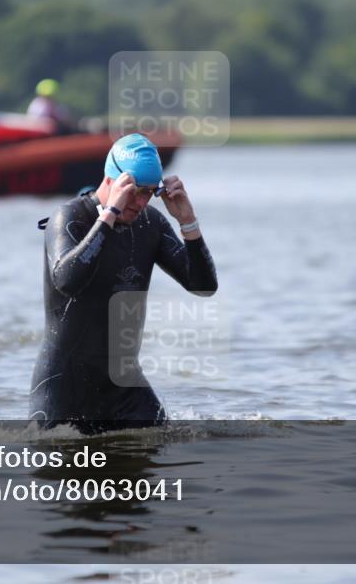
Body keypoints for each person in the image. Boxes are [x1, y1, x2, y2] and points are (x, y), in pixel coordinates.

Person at [29, 133, 218, 433]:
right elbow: (67, 280)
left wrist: (188, 223)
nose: (141, 202)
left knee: (163, 456)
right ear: (112, 181)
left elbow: (203, 286)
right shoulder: (69, 218)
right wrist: (109, 216)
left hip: (124, 389)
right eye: (134, 191)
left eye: (149, 193)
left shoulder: (150, 224)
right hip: (65, 388)